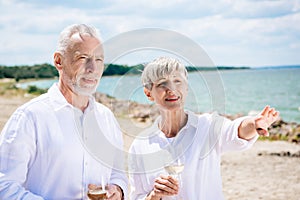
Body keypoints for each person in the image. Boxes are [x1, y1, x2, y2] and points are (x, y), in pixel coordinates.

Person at [0, 24, 127, 200]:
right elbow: (4, 187)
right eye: (83, 58)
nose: (93, 68)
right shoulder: (29, 117)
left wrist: (118, 191)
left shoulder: (107, 118)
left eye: (99, 60)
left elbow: (118, 174)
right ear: (59, 61)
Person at [128, 57, 279, 199]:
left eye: (177, 81)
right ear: (149, 94)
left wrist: (254, 124)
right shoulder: (140, 145)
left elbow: (235, 131)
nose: (171, 89)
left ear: (186, 88)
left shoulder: (208, 126)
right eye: (162, 84)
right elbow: (136, 196)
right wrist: (154, 196)